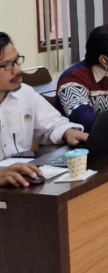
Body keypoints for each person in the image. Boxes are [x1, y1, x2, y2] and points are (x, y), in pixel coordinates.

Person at [0, 32, 87, 187]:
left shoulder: (24, 93)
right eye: (7, 65)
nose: (18, 70)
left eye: (17, 61)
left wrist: (68, 132)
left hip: (23, 185)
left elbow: (53, 124)